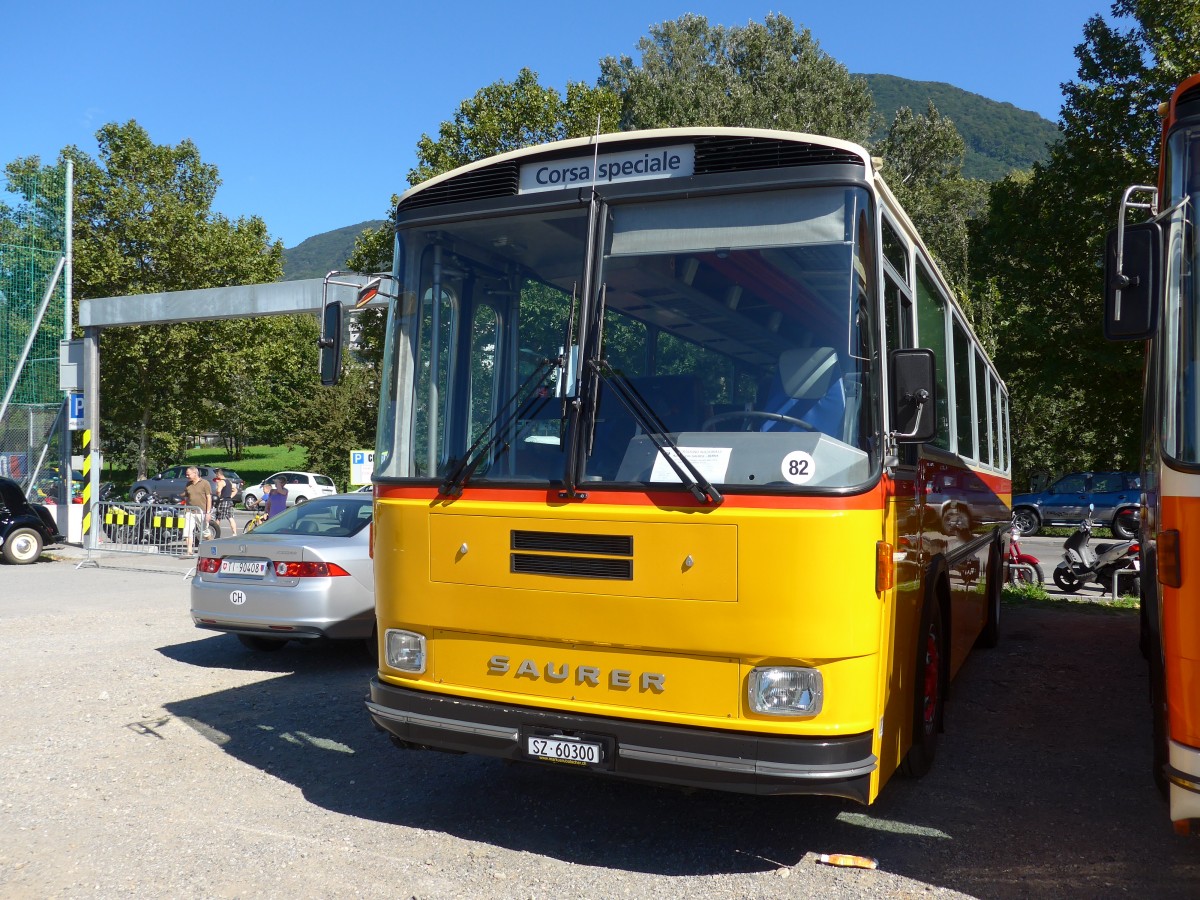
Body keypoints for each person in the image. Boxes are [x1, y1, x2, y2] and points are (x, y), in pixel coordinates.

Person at [180, 466, 212, 556]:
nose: (187, 476)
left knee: (205, 532)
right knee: (187, 531)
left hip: (201, 512)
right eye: (186, 474)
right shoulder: (188, 484)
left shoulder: (205, 483)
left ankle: (212, 545)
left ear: (195, 473)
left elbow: (209, 498)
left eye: (188, 474)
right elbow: (186, 496)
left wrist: (208, 512)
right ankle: (189, 551)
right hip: (190, 512)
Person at [211, 469, 237, 537]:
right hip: (229, 501)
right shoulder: (229, 482)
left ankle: (216, 533)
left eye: (216, 475)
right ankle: (234, 533)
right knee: (230, 517)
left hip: (222, 501)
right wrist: (230, 497)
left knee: (218, 517)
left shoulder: (221, 482)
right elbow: (235, 490)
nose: (216, 476)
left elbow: (219, 491)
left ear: (218, 474)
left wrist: (218, 497)